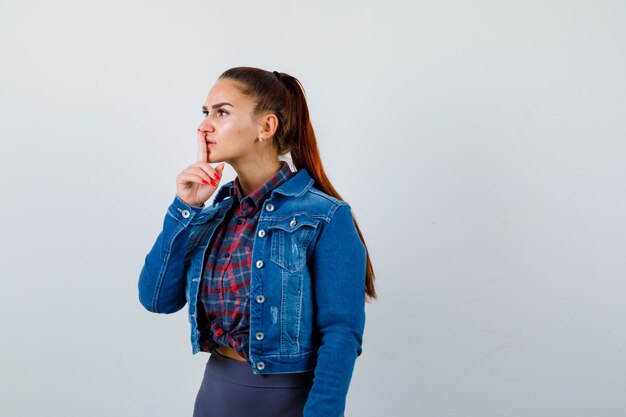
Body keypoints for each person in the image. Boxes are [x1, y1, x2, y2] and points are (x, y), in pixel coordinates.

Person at [137, 66, 377, 417]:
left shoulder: (326, 216)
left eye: (221, 112)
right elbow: (156, 299)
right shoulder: (215, 213)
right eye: (205, 113)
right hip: (214, 398)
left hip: (288, 403)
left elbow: (341, 334)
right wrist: (185, 208)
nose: (204, 126)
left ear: (266, 127)